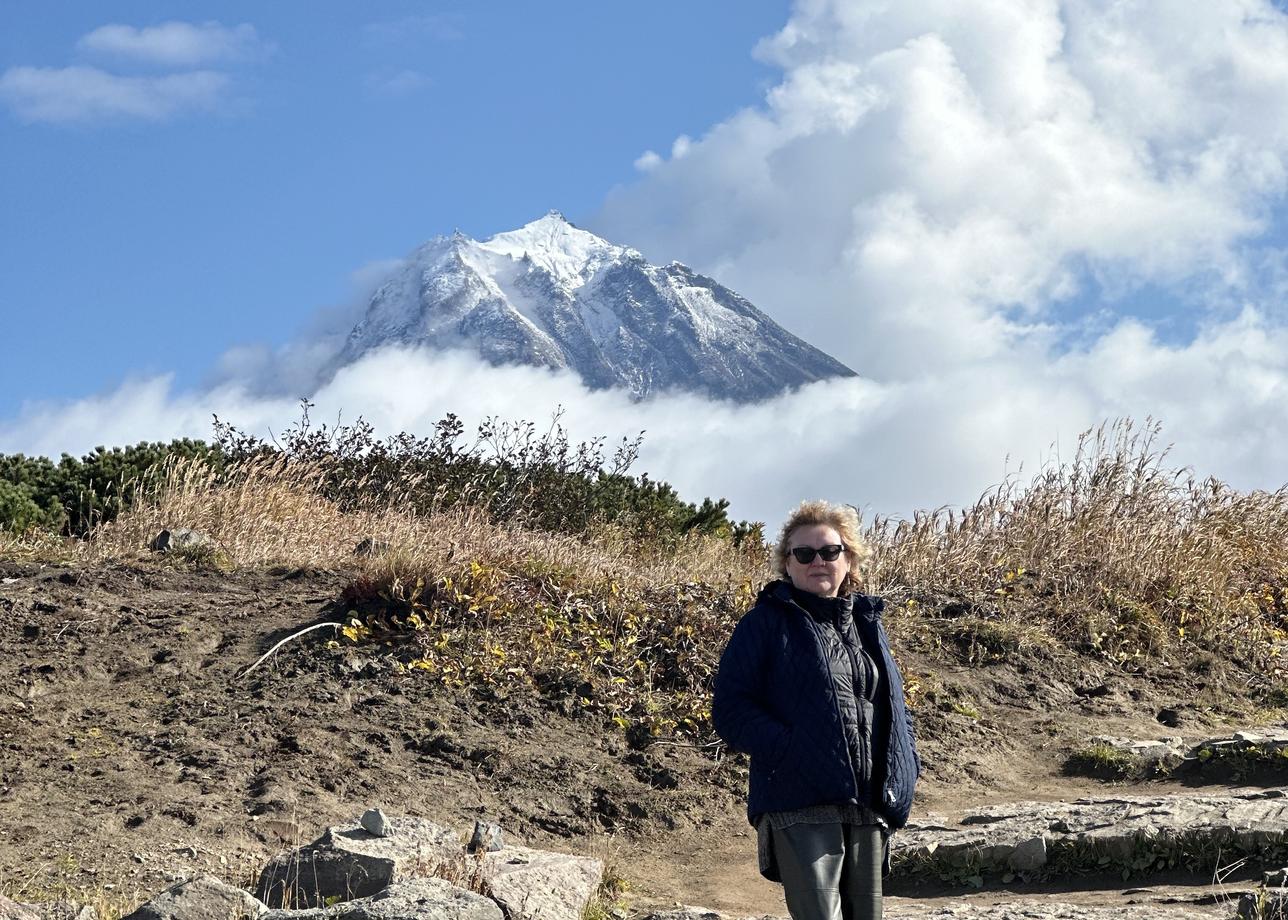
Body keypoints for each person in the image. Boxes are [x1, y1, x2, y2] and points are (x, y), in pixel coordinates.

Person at [712, 500, 920, 920]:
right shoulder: (766, 622)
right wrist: (791, 751)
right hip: (799, 804)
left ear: (850, 559)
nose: (818, 561)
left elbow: (894, 709)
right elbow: (731, 708)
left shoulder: (867, 625)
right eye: (804, 554)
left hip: (867, 806)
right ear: (787, 564)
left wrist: (905, 763)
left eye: (830, 551)